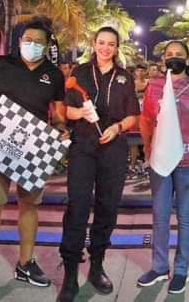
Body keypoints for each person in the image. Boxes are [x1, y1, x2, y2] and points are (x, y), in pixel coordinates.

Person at [0, 18, 68, 302]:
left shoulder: (54, 75)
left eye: (38, 41)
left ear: (47, 45)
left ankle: (25, 263)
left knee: (30, 206)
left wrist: (60, 128)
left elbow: (58, 113)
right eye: (27, 40)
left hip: (34, 148)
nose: (32, 45)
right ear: (19, 41)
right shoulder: (2, 64)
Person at [57, 26, 141, 302]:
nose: (106, 48)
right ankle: (70, 273)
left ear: (117, 48)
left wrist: (117, 128)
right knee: (78, 206)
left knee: (107, 207)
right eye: (101, 42)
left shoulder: (125, 77)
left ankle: (96, 266)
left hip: (113, 149)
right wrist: (81, 112)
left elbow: (133, 116)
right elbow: (65, 110)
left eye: (111, 44)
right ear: (94, 44)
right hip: (83, 148)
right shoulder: (80, 73)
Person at [136, 41, 189, 294]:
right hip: (161, 162)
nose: (174, 58)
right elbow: (146, 120)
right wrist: (147, 148)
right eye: (169, 55)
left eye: (179, 55)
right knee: (160, 216)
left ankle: (181, 271)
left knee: (185, 217)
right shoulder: (154, 86)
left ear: (187, 59)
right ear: (163, 60)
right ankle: (159, 267)